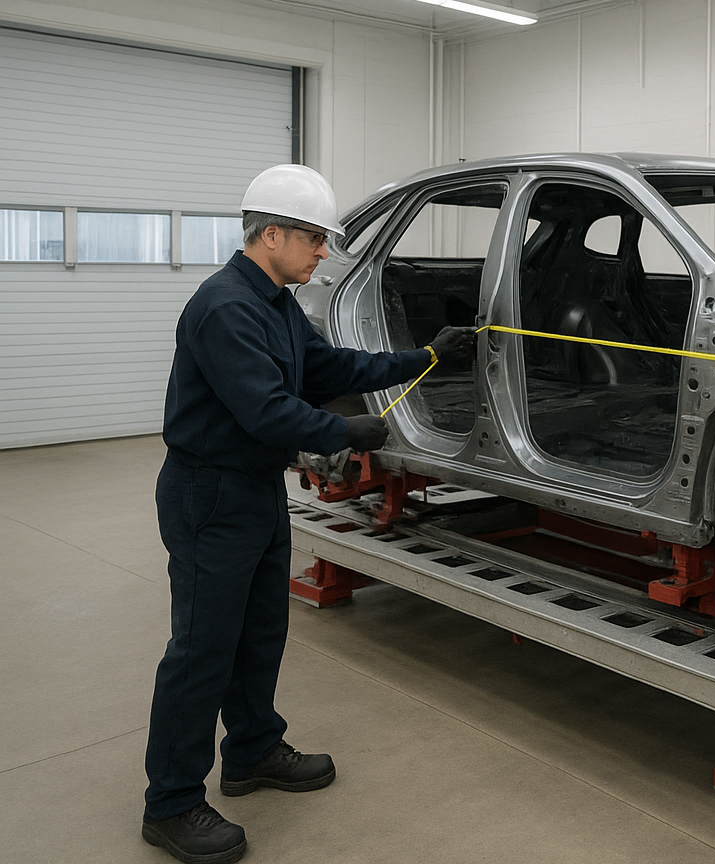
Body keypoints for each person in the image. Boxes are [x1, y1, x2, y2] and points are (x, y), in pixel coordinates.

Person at [142, 165, 477, 864]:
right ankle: (170, 803)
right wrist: (344, 432)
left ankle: (252, 751)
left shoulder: (276, 303)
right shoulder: (225, 308)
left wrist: (423, 357)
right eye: (315, 239)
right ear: (272, 234)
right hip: (211, 494)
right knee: (202, 650)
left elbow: (329, 368)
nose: (323, 253)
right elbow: (265, 410)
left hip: (256, 488)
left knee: (260, 631)